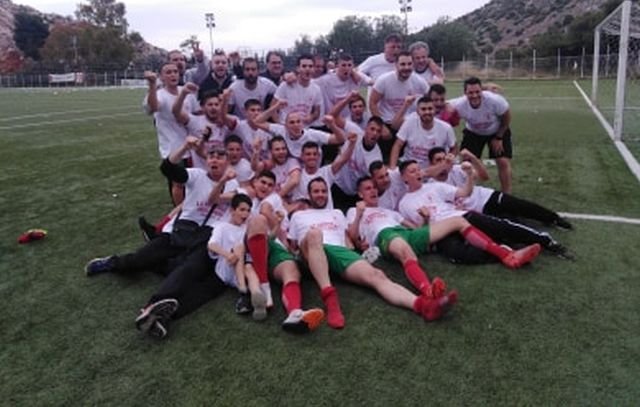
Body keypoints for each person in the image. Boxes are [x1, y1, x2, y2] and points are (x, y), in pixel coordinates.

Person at [288, 177, 458, 328]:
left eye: (324, 191)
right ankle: (330, 299)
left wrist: (359, 248)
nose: (320, 194)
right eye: (316, 191)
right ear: (309, 194)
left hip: (337, 251)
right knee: (315, 234)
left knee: (377, 276)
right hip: (310, 250)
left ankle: (423, 306)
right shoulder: (299, 215)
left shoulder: (337, 213)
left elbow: (348, 240)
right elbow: (293, 246)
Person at [398, 160, 545, 266]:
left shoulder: (434, 186)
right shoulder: (404, 204)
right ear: (404, 177)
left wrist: (469, 176)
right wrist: (425, 218)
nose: (418, 173)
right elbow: (418, 232)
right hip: (440, 232)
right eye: (412, 171)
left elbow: (464, 192)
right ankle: (506, 252)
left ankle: (545, 241)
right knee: (459, 255)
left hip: (459, 217)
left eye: (418, 169)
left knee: (498, 226)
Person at [428, 147, 574, 234]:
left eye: (444, 159)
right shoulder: (431, 184)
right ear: (431, 163)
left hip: (486, 196)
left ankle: (554, 218)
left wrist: (472, 157)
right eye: (438, 160)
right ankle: (540, 237)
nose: (443, 163)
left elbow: (484, 177)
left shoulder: (457, 169)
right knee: (511, 224)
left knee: (519, 205)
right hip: (479, 212)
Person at [142, 63, 197, 205]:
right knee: (178, 183)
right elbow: (154, 107)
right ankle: (179, 212)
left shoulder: (187, 92)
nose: (173, 75)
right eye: (168, 72)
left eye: (175, 71)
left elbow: (197, 114)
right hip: (173, 149)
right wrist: (152, 85)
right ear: (161, 77)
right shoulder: (159, 94)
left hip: (193, 148)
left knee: (194, 182)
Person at [208, 193, 268, 320]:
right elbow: (211, 245)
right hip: (228, 268)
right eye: (242, 210)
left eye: (248, 211)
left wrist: (277, 224)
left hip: (246, 267)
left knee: (249, 268)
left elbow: (266, 239)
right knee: (239, 248)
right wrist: (228, 254)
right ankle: (247, 292)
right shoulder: (222, 227)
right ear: (232, 210)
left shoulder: (247, 228)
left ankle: (255, 297)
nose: (245, 214)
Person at [449, 76, 514, 193]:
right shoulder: (459, 104)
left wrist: (499, 137)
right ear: (465, 93)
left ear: (482, 91)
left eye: (477, 92)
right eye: (470, 93)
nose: (474, 95)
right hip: (473, 132)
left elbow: (507, 116)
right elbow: (442, 105)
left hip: (497, 130)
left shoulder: (494, 100)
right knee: (466, 163)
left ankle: (506, 195)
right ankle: (466, 191)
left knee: (503, 161)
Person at [369, 51, 429, 160]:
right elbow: (372, 103)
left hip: (409, 126)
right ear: (396, 65)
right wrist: (381, 126)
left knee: (410, 160)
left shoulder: (419, 82)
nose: (406, 67)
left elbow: (430, 100)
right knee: (384, 160)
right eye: (403, 64)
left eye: (409, 64)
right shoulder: (384, 80)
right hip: (388, 126)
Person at [172, 85, 237, 169]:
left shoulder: (225, 123)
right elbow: (176, 112)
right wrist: (183, 94)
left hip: (219, 170)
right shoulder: (195, 121)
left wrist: (225, 100)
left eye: (216, 104)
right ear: (202, 107)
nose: (213, 108)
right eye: (210, 105)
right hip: (199, 169)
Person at [389, 95, 457, 170]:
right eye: (423, 109)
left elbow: (453, 148)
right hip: (409, 165)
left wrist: (448, 160)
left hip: (434, 168)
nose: (427, 112)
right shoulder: (409, 123)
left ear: (434, 110)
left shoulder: (446, 128)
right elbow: (397, 145)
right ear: (417, 111)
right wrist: (393, 167)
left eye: (430, 109)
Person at [291, 133, 356, 208]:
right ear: (302, 156)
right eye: (308, 154)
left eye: (315, 154)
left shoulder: (326, 172)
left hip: (328, 213)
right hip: (306, 214)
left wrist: (352, 144)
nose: (312, 157)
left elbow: (343, 159)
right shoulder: (296, 175)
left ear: (319, 156)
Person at [272, 54, 323, 126]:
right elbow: (272, 107)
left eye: (310, 66)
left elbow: (317, 112)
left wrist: (311, 117)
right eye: (304, 66)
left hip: (304, 129)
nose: (307, 69)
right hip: (285, 127)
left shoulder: (316, 89)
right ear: (298, 68)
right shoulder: (286, 85)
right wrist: (279, 125)